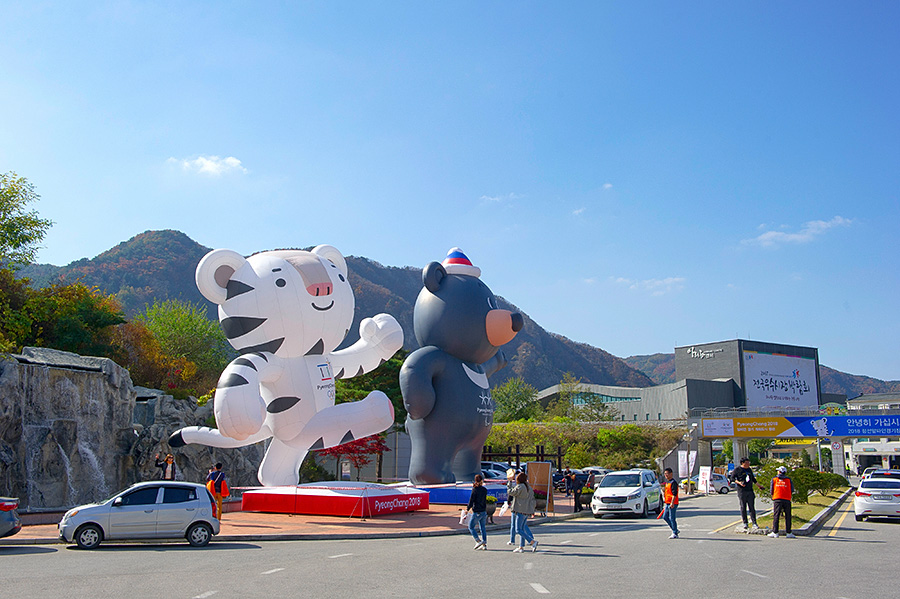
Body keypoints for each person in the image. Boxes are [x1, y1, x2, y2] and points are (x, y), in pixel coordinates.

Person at [507, 471, 538, 553]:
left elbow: (511, 492)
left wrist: (509, 483)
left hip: (520, 510)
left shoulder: (520, 487)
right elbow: (532, 500)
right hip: (526, 510)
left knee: (518, 529)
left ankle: (532, 541)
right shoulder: (529, 487)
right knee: (523, 529)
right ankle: (521, 546)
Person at [733, 457, 764, 531]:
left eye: (748, 462)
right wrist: (739, 483)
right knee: (743, 507)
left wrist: (759, 486)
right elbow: (732, 478)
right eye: (747, 462)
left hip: (750, 490)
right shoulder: (737, 470)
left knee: (752, 507)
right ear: (743, 463)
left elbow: (753, 479)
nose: (748, 464)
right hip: (742, 491)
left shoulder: (749, 470)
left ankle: (754, 523)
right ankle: (745, 523)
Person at [768, 466, 795, 538]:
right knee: (788, 516)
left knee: (776, 515)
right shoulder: (789, 480)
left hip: (777, 498)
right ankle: (788, 532)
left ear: (779, 472)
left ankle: (775, 532)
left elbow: (771, 489)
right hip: (787, 499)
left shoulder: (774, 479)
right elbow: (792, 489)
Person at [467, 474, 489, 550]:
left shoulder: (475, 490)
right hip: (483, 511)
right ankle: (484, 544)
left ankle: (478, 540)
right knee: (482, 528)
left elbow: (471, 500)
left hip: (477, 511)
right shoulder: (484, 490)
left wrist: (467, 509)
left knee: (471, 526)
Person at [661, 467, 680, 539]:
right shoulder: (667, 482)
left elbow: (674, 494)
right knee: (665, 517)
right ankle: (675, 529)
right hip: (667, 502)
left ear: (671, 474)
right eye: (665, 474)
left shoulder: (673, 483)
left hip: (673, 503)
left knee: (672, 518)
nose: (666, 475)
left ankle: (675, 533)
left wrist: (672, 503)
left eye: (667, 474)